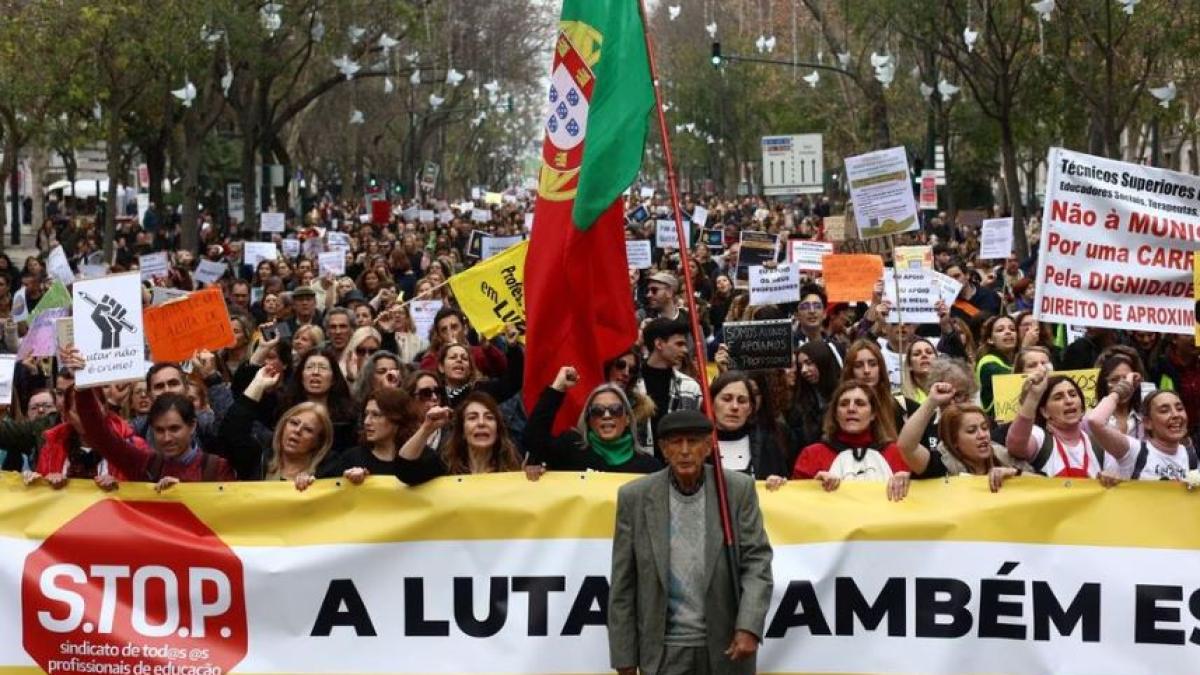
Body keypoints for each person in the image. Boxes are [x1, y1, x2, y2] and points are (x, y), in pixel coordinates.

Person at [608, 409, 773, 675]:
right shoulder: (635, 497)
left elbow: (757, 564)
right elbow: (623, 583)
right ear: (663, 448)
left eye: (694, 441)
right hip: (662, 652)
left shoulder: (736, 490)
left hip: (726, 647)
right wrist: (624, 654)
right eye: (676, 442)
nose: (685, 451)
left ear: (708, 447)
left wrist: (749, 626)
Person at [891, 382, 1029, 493]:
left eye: (985, 428)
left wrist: (1015, 474)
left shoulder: (1004, 455)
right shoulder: (940, 465)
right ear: (954, 441)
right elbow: (906, 446)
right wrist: (932, 401)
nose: (982, 435)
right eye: (971, 431)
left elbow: (1046, 484)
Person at [525, 366, 661, 473]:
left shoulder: (649, 467)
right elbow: (533, 440)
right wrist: (558, 388)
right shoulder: (570, 449)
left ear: (627, 419)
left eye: (615, 410)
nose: (607, 415)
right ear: (589, 420)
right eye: (597, 411)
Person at [1005, 367, 1126, 479]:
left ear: (1082, 408)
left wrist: (1111, 479)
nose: (1068, 401)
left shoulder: (1101, 447)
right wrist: (1033, 397)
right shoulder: (1040, 437)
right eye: (1058, 397)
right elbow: (1016, 447)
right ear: (1045, 412)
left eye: (1073, 395)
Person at [790, 382, 910, 489]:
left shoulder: (898, 454)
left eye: (860, 403)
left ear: (873, 413)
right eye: (844, 404)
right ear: (835, 414)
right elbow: (794, 502)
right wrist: (813, 487)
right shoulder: (812, 456)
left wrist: (910, 481)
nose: (851, 409)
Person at [396, 390, 522, 485]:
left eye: (489, 417)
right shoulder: (444, 467)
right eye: (472, 418)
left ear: (498, 430)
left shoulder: (514, 472)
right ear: (462, 431)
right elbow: (404, 470)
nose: (481, 423)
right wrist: (426, 428)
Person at [1086, 383, 1198, 481]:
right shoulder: (1135, 451)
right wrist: (1118, 393)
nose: (1175, 415)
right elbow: (1095, 421)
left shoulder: (1190, 455)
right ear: (1147, 422)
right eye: (1164, 411)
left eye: (1179, 408)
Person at [636, 318, 703, 455]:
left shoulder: (690, 387)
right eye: (679, 344)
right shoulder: (632, 385)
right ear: (659, 344)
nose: (685, 350)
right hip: (640, 465)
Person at [329, 388, 421, 484]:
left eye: (376, 415)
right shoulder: (351, 459)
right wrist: (346, 481)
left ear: (397, 418)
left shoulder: (420, 458)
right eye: (366, 414)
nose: (367, 422)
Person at [709, 371, 789, 479]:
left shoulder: (768, 444)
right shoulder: (697, 444)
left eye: (742, 401)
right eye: (726, 399)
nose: (734, 407)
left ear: (750, 409)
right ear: (711, 404)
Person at [787, 340, 841, 452]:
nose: (803, 370)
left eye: (809, 363)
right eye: (800, 365)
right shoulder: (800, 401)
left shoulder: (844, 395)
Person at [975, 315, 1018, 417]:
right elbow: (1016, 380)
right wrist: (1026, 348)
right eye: (1000, 330)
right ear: (990, 339)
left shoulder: (1014, 361)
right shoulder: (988, 362)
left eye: (1012, 329)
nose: (1008, 332)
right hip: (997, 427)